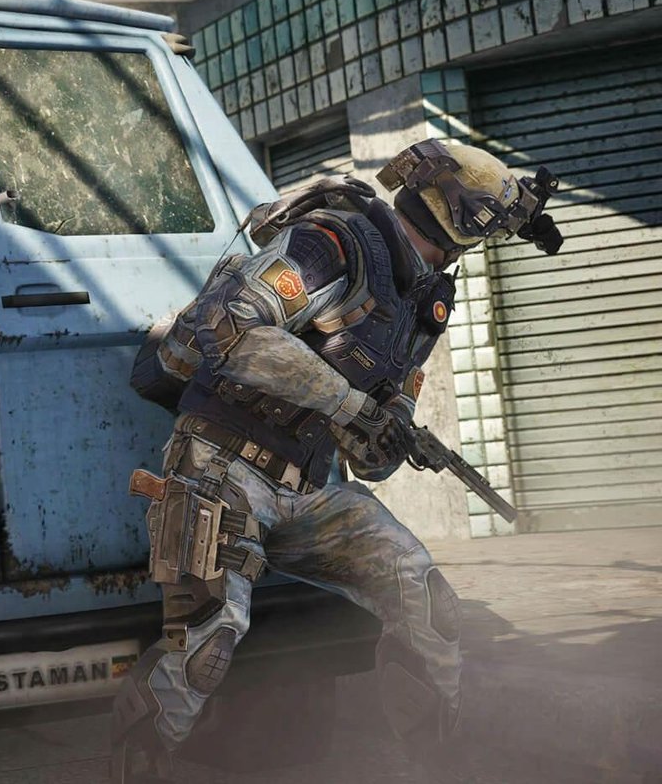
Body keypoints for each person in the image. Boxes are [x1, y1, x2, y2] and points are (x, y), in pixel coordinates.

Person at [114, 138, 562, 781]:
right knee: (207, 641)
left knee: (425, 598)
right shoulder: (335, 243)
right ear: (468, 217)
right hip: (218, 469)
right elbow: (227, 328)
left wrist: (390, 431)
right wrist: (353, 407)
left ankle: (442, 766)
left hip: (305, 489)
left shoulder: (423, 301)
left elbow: (375, 446)